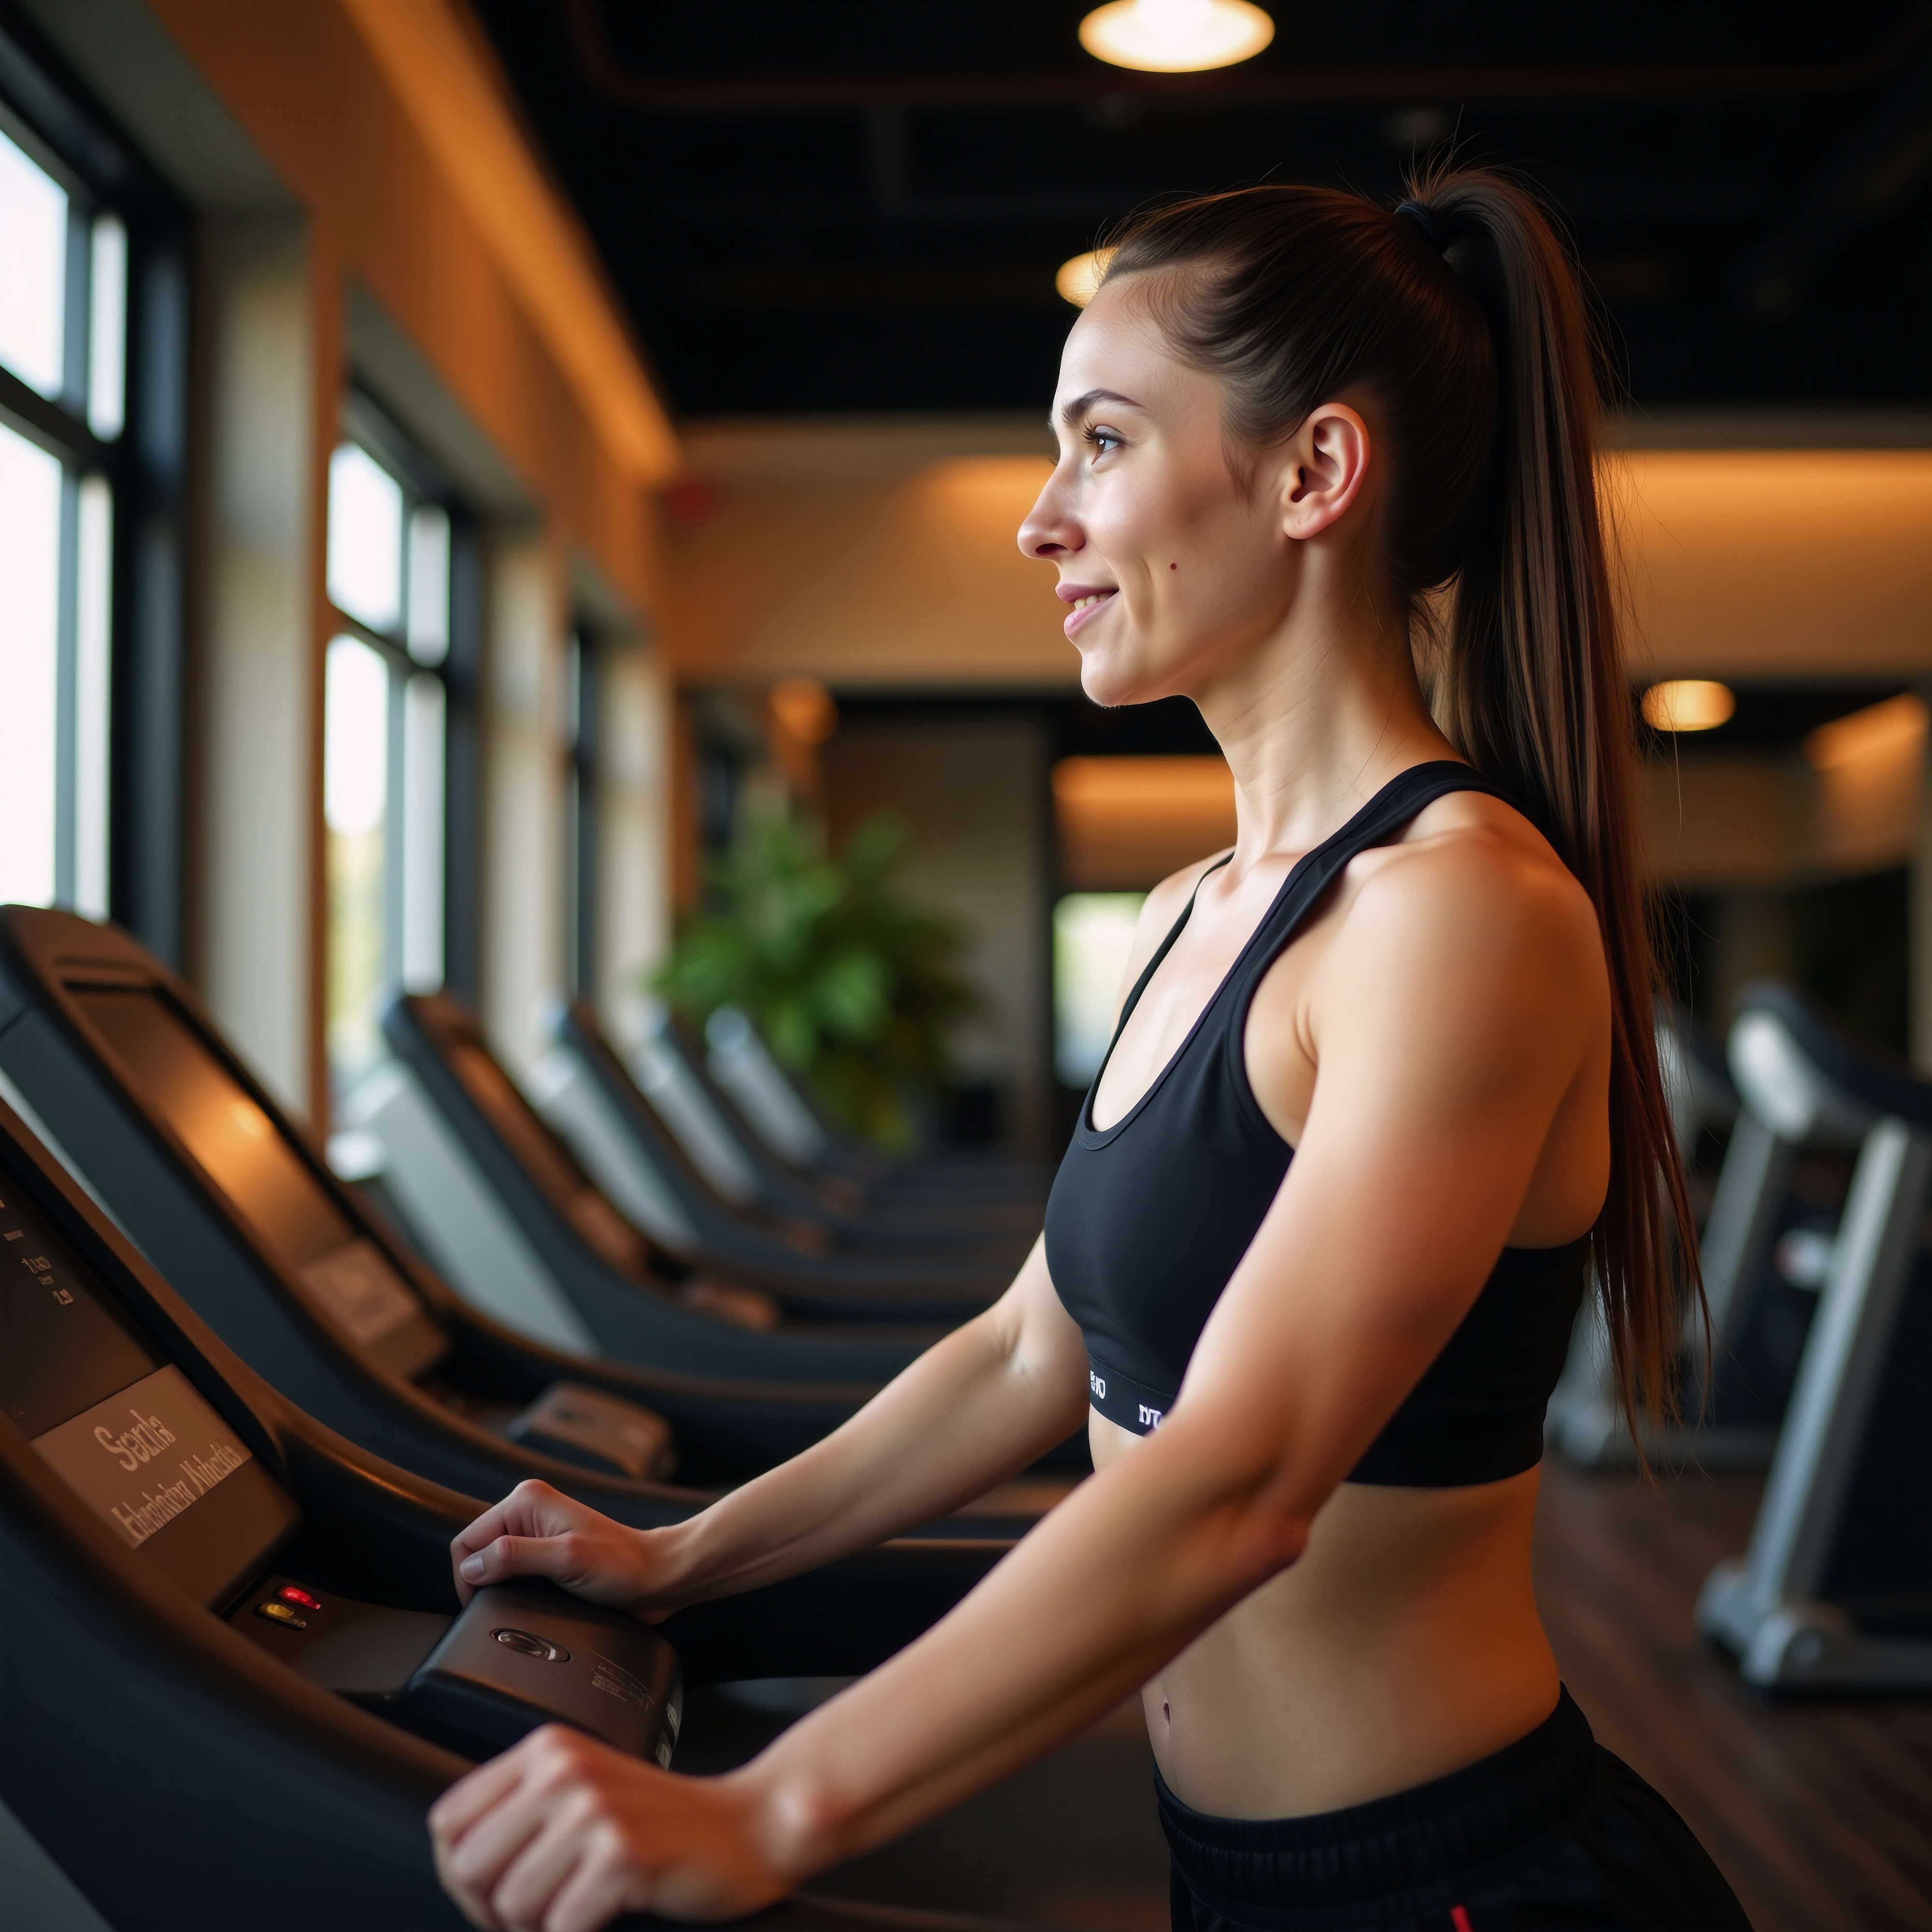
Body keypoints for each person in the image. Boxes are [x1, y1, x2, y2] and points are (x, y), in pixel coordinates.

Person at [426, 168, 1750, 1932]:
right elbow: (1024, 1355)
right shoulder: (1192, 909)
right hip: (1230, 1876)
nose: (1043, 521)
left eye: (1103, 442)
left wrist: (771, 1813)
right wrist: (679, 1558)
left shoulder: (1460, 913)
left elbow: (1242, 1486)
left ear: (1312, 476)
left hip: (1454, 1887)